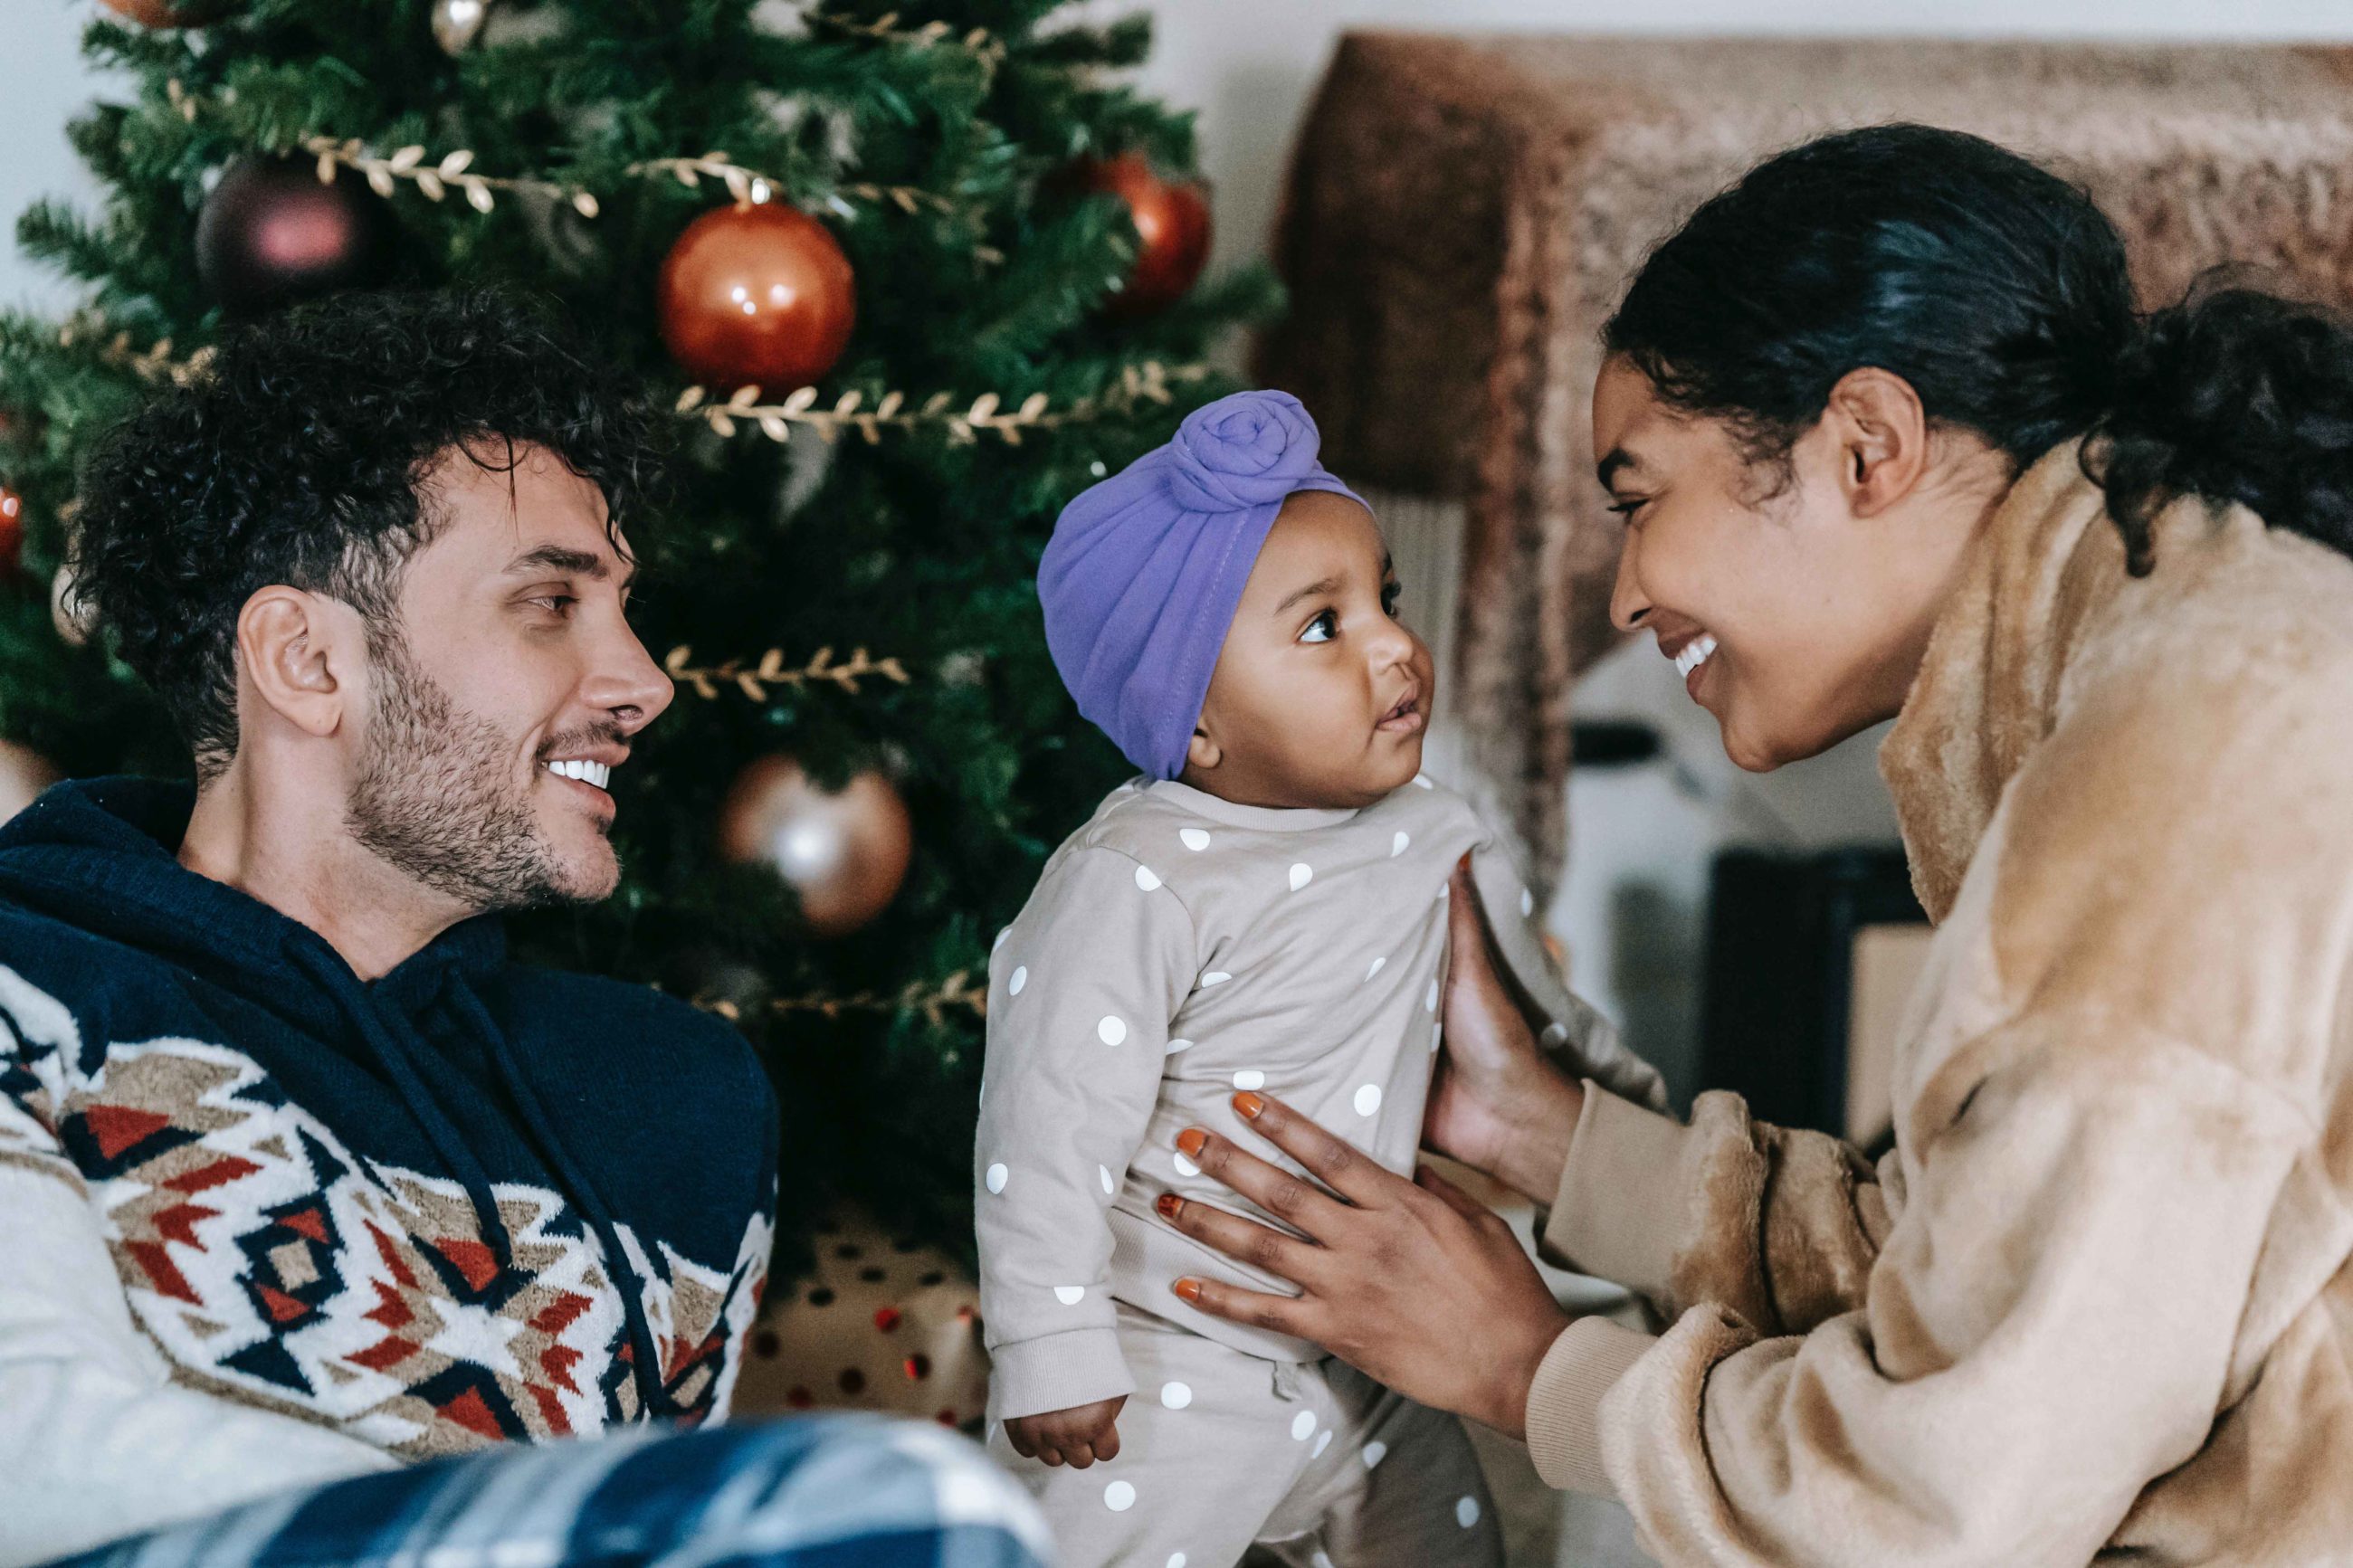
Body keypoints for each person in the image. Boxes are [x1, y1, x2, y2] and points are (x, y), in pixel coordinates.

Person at [1146, 123, 2353, 1565]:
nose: (1622, 598)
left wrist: (1522, 1367)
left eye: (1641, 497)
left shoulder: (2172, 771)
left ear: (1867, 443)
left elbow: (1932, 1498)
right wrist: (1536, 1128)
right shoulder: (2187, 642)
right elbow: (1971, 1274)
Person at [0, 289, 1047, 1568]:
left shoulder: (676, 1105)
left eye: (621, 605)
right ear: (309, 662)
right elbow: (32, 1456)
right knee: (925, 1511)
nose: (645, 681)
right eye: (551, 604)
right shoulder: (27, 990)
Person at [975, 389, 1664, 1566]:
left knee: (1456, 1540)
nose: (1393, 642)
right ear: (1196, 723)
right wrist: (1051, 1344)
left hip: (1367, 1330)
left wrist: (1626, 1110)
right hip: (1169, 1348)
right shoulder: (1137, 875)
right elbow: (1047, 1119)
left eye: (1384, 600)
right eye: (1321, 626)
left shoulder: (1434, 827)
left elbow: (1529, 1009)